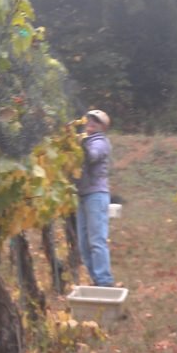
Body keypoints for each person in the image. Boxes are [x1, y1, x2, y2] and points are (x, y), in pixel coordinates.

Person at [75, 109, 115, 287]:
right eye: (89, 119)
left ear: (102, 127)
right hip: (82, 195)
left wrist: (76, 145)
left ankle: (104, 282)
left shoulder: (100, 142)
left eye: (96, 121)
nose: (91, 122)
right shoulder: (83, 140)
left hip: (96, 195)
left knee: (97, 241)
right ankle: (96, 281)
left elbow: (91, 156)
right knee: (84, 244)